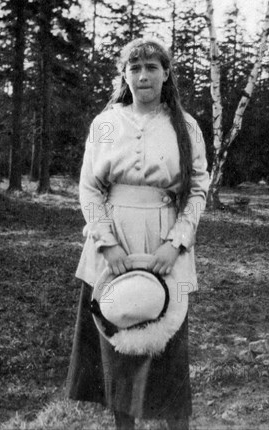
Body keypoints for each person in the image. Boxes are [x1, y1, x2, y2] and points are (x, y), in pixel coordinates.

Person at [66, 38, 210, 430]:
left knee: (167, 349)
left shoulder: (185, 125)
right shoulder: (107, 122)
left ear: (166, 73)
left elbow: (198, 187)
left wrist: (176, 242)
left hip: (165, 243)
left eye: (151, 67)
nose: (143, 76)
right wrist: (107, 244)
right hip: (112, 242)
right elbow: (89, 187)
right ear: (124, 75)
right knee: (119, 341)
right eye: (135, 68)